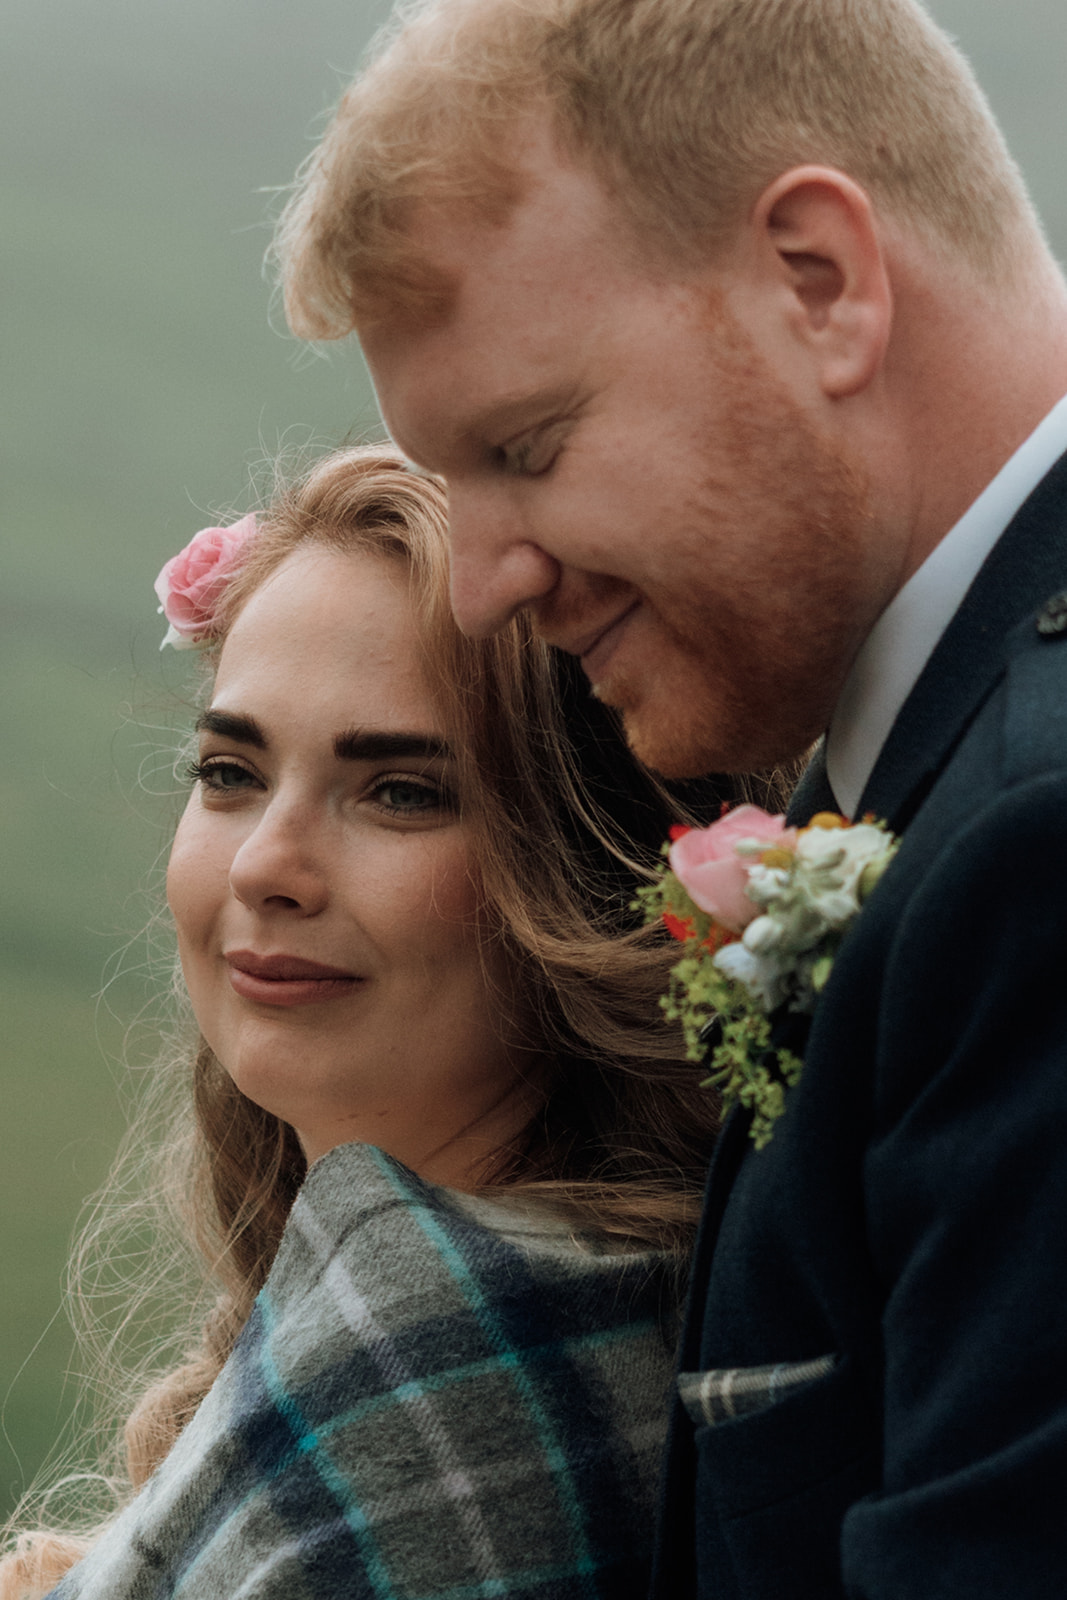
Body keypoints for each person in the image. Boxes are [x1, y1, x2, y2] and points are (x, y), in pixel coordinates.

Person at [271, 1, 1067, 1595]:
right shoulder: (947, 765)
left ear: (817, 285)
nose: (483, 583)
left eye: (528, 446)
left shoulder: (1030, 835)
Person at [1, 446, 747, 1600]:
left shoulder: (453, 1332)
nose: (265, 865)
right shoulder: (584, 1294)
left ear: (588, 869)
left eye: (401, 791)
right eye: (229, 771)